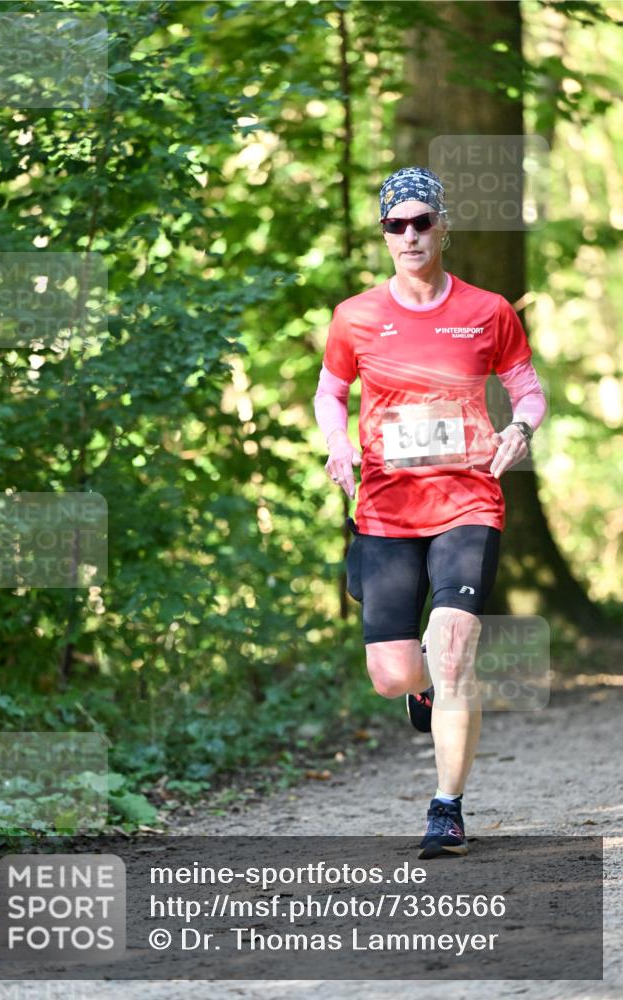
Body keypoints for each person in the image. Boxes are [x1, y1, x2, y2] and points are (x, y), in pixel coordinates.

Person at [313, 166, 547, 859]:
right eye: (395, 224)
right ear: (384, 234)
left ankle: (445, 808)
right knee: (394, 674)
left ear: (443, 226)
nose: (409, 235)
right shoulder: (355, 316)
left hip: (467, 500)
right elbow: (330, 393)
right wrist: (336, 446)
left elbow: (526, 388)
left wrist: (521, 428)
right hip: (386, 508)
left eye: (421, 222)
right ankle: (422, 691)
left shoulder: (487, 309)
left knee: (451, 650)